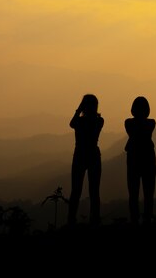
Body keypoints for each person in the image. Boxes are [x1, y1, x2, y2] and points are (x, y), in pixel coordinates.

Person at [67, 94, 104, 226]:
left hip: (80, 155)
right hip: (93, 155)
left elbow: (71, 123)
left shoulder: (81, 121)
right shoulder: (99, 121)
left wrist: (78, 109)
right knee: (94, 191)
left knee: (76, 190)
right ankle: (94, 220)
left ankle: (71, 220)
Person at [124, 96, 156, 226]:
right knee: (149, 191)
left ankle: (134, 219)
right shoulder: (151, 123)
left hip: (133, 158)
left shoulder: (129, 123)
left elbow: (134, 133)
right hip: (148, 157)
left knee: (133, 192)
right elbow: (143, 131)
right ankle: (147, 219)